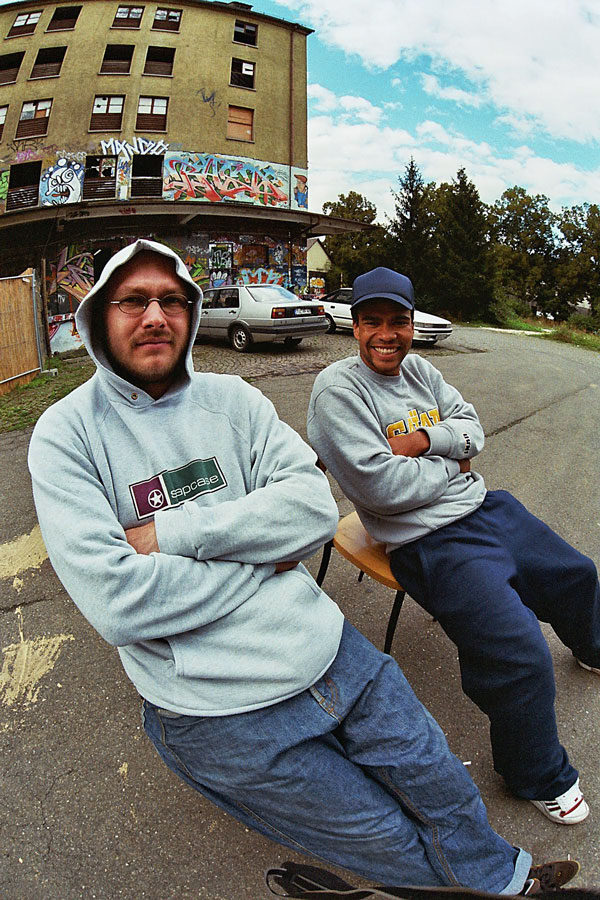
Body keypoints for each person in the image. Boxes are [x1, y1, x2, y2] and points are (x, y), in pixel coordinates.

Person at [28, 241, 569, 894]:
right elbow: (118, 602)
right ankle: (506, 885)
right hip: (217, 708)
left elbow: (313, 508)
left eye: (171, 299)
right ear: (99, 315)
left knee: (445, 789)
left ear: (191, 311)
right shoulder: (67, 436)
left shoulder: (235, 401)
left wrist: (169, 533)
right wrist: (264, 559)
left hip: (332, 650)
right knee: (384, 836)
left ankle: (501, 882)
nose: (154, 316)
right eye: (133, 301)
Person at [307, 266, 600, 828]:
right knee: (517, 651)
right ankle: (535, 774)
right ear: (355, 326)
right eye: (373, 322)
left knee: (576, 572)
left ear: (412, 324)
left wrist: (425, 441)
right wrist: (453, 464)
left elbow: (473, 430)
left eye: (398, 321)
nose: (387, 335)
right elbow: (381, 488)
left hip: (486, 507)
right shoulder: (338, 391)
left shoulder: (419, 369)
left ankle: (593, 646)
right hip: (426, 540)